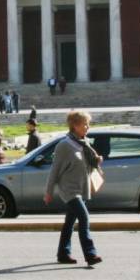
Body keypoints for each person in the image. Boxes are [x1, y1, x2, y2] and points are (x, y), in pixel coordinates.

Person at [44, 110, 102, 267]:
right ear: (75, 125)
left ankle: (63, 254)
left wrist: (96, 161)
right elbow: (54, 170)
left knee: (69, 222)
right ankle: (90, 254)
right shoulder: (64, 145)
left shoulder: (84, 143)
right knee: (84, 217)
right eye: (85, 124)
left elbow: (86, 165)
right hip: (69, 190)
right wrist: (48, 192)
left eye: (88, 124)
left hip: (82, 188)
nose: (88, 127)